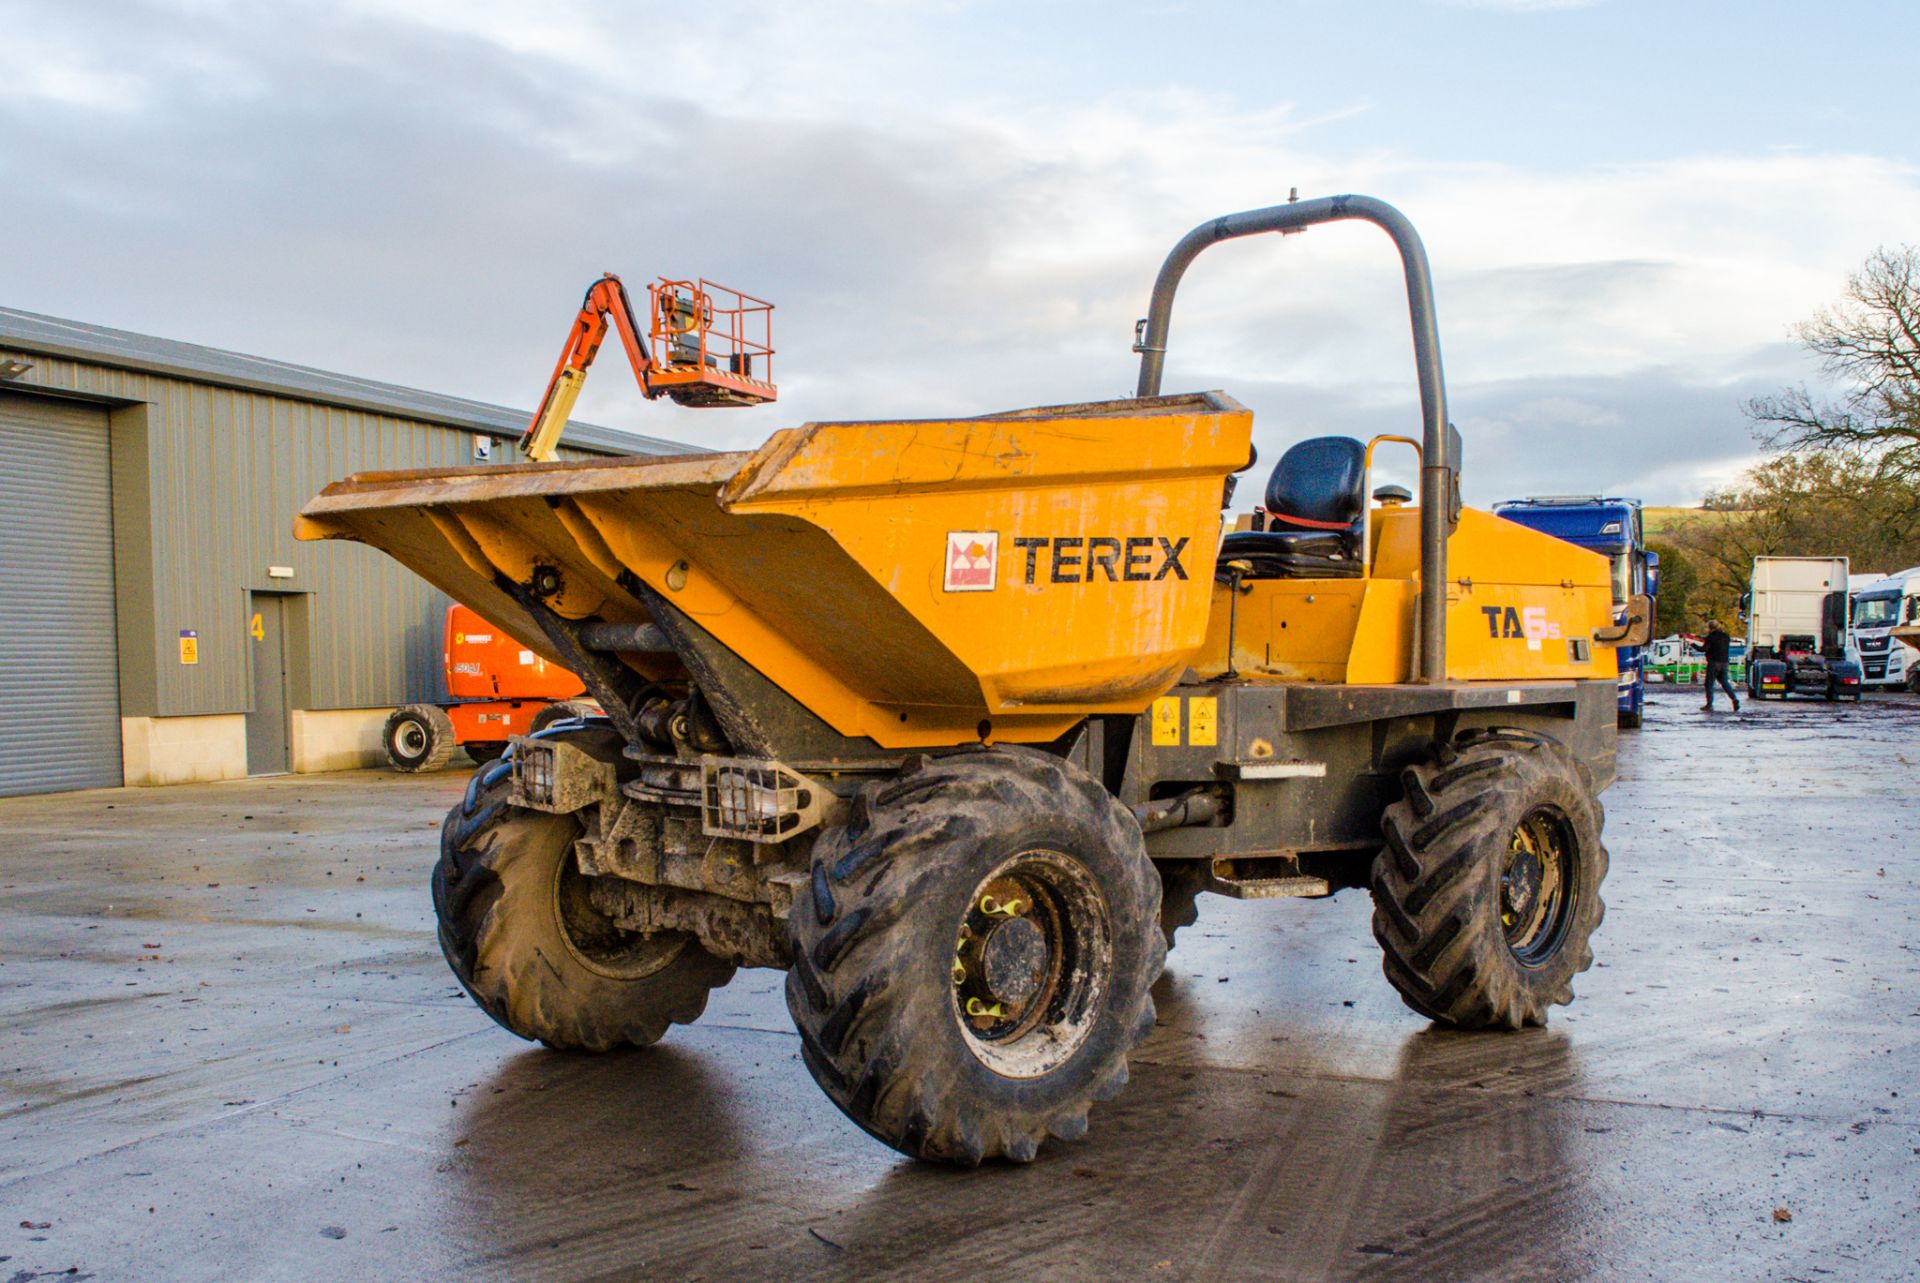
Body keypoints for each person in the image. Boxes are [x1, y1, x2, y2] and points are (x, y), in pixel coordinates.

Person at [1702, 620, 1739, 711]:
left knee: (1709, 684)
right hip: (1724, 662)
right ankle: (1734, 699)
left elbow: (1703, 649)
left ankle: (1709, 704)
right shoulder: (1726, 636)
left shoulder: (1710, 637)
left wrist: (1692, 644)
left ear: (1710, 628)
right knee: (1725, 682)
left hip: (1714, 663)